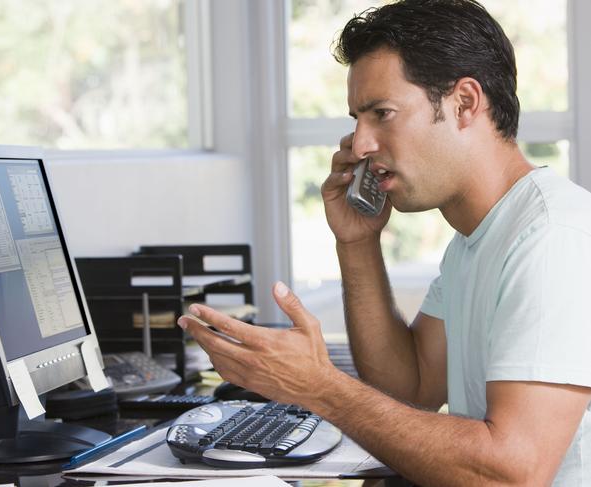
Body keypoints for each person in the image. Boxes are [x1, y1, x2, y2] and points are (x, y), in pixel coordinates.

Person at [177, 1, 591, 485]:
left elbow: (511, 474)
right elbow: (409, 389)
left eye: (382, 114)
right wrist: (357, 244)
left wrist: (321, 387)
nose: (360, 144)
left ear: (464, 103)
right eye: (357, 118)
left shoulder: (553, 238)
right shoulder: (475, 241)